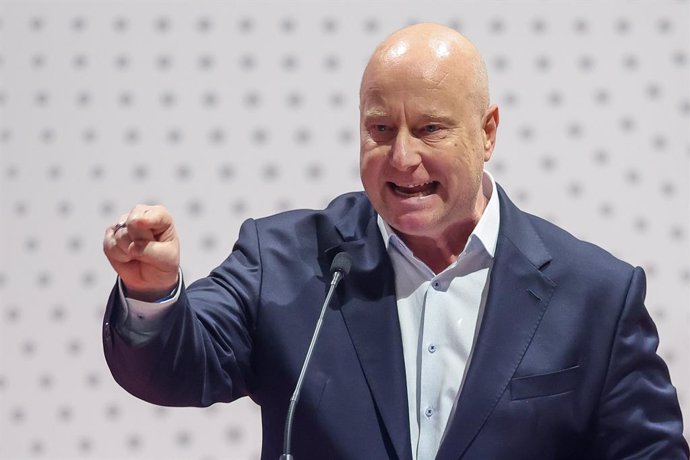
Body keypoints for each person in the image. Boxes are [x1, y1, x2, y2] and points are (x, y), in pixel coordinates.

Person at [102, 23, 688, 460]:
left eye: (429, 128)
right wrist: (152, 294)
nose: (402, 158)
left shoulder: (596, 297)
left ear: (487, 133)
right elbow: (178, 368)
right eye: (380, 130)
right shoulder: (283, 261)